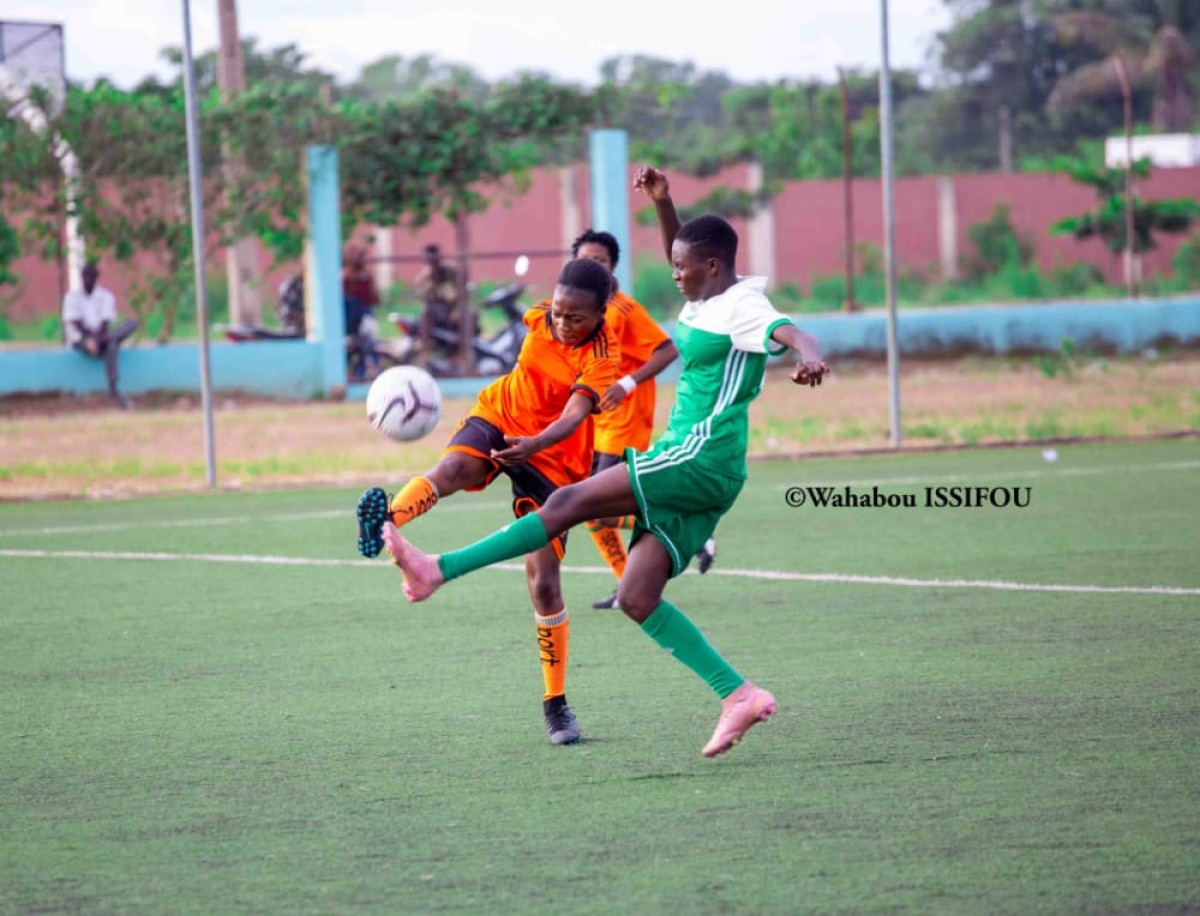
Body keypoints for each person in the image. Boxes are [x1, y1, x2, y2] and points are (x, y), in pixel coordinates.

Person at [374, 166, 830, 758]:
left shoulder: (743, 307)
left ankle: (438, 569)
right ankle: (737, 694)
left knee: (568, 504)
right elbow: (683, 249)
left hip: (699, 456)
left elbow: (791, 332)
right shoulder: (706, 295)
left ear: (712, 266)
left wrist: (812, 357)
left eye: (682, 266)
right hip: (705, 468)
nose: (673, 271)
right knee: (638, 596)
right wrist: (665, 204)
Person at [356, 258, 620, 746]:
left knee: (543, 584)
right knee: (452, 469)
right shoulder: (539, 315)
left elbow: (573, 416)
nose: (561, 323)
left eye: (575, 317)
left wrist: (534, 445)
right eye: (558, 312)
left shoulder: (604, 356)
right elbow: (531, 319)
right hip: (499, 415)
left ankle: (555, 704)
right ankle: (384, 524)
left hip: (553, 462)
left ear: (602, 313)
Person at [566, 229, 686, 611]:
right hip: (598, 425)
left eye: (599, 261)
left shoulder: (625, 310)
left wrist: (627, 382)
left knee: (593, 506)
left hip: (625, 421)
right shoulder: (584, 310)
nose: (592, 267)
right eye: (585, 260)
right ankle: (625, 585)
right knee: (589, 512)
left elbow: (667, 351)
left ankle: (675, 526)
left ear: (612, 266)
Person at [62, 261, 139, 409]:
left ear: (96, 278)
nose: (88, 280)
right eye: (85, 276)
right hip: (81, 339)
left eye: (91, 276)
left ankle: (113, 391)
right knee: (112, 344)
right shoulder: (72, 297)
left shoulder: (105, 296)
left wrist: (97, 340)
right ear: (81, 277)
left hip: (102, 338)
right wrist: (90, 340)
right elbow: (76, 323)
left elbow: (105, 322)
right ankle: (114, 391)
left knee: (131, 324)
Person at [413, 244, 473, 370]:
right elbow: (423, 296)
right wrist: (431, 279)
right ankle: (424, 354)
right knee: (428, 312)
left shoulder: (451, 272)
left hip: (455, 309)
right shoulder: (424, 276)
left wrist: (457, 310)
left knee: (471, 314)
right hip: (438, 312)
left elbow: (464, 292)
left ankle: (464, 355)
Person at [343, 246, 382, 380]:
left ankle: (369, 371)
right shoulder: (344, 277)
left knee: (369, 346)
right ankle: (350, 374)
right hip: (349, 322)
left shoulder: (367, 276)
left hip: (364, 318)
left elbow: (375, 299)